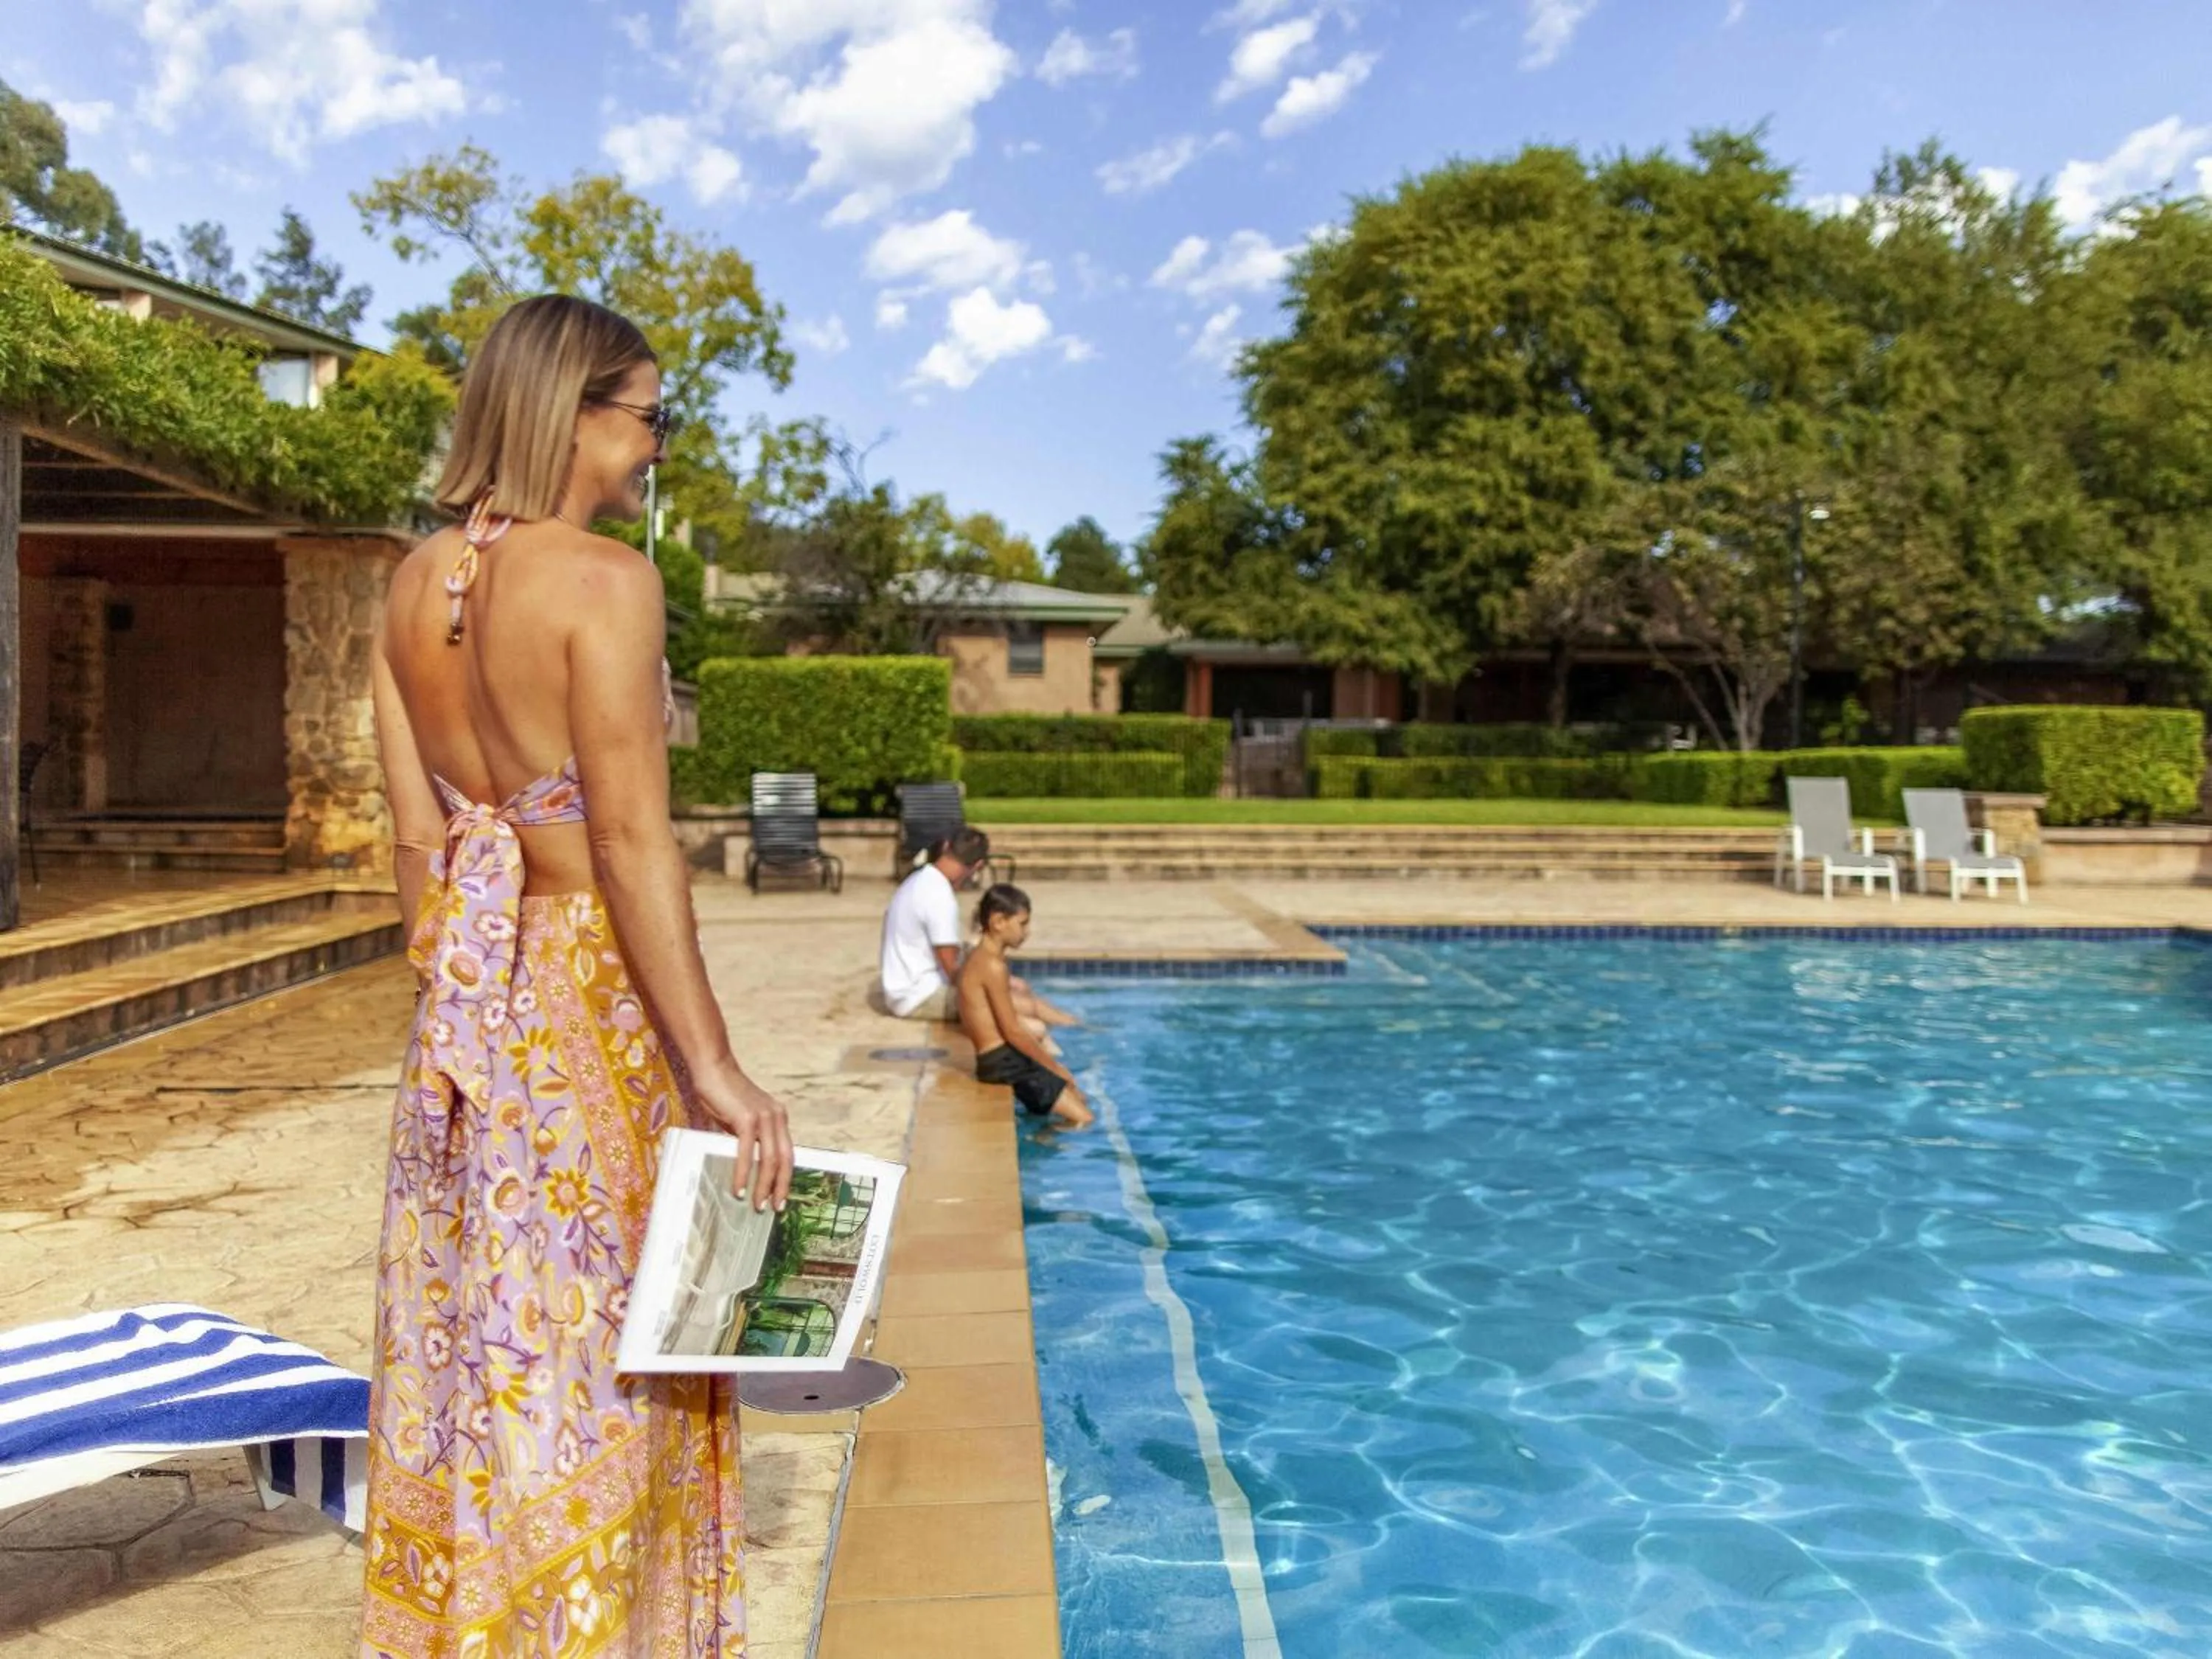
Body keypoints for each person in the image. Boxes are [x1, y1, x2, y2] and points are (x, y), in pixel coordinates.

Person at [364, 293, 793, 1658]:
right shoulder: (607, 583)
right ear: (579, 409)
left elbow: (420, 849)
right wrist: (712, 1065)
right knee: (628, 1344)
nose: (659, 447)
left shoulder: (408, 583)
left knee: (487, 1342)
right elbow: (625, 838)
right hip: (590, 1002)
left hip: (467, 1018)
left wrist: (468, 1014)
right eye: (651, 417)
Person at [878, 827, 1077, 1034]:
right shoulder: (939, 897)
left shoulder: (920, 879)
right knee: (1028, 1007)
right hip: (917, 997)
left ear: (946, 846)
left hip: (907, 988)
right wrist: (995, 985)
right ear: (978, 866)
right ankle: (1079, 1028)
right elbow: (955, 973)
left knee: (1019, 989)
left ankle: (1076, 1026)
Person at [960, 885, 1094, 1129]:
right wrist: (1055, 1069)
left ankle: (1045, 1131)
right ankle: (1043, 1136)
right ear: (998, 921)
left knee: (1079, 1099)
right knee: (1084, 1119)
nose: (1027, 932)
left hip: (998, 1060)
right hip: (1004, 1063)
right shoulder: (992, 965)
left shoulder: (982, 957)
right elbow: (1012, 1031)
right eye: (1023, 924)